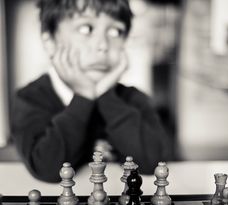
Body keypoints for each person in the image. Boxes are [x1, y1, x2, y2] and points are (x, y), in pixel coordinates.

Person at [11, 0, 174, 183]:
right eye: (86, 29)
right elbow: (46, 168)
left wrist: (105, 95)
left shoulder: (132, 99)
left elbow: (153, 163)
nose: (103, 45)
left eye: (115, 31)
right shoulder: (30, 98)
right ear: (50, 41)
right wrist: (84, 97)